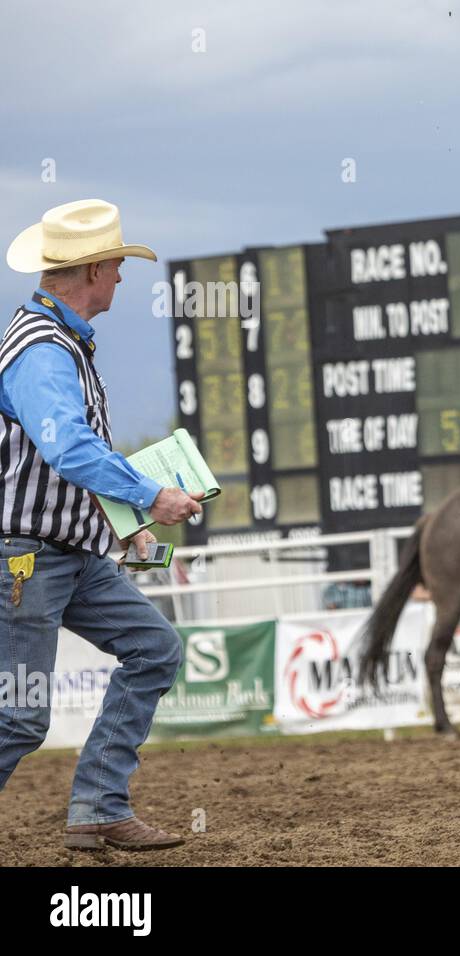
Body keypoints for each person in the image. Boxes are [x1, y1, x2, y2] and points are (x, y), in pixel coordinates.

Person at [0, 199, 204, 850]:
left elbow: (66, 458)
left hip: (67, 552)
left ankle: (97, 806)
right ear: (91, 271)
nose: (120, 278)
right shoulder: (42, 350)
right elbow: (70, 452)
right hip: (26, 556)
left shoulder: (60, 343)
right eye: (116, 266)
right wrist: (151, 497)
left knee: (155, 650)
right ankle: (97, 805)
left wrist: (124, 522)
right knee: (17, 717)